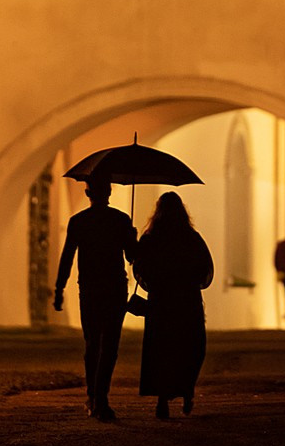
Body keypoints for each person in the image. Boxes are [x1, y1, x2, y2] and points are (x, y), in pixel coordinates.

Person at [53, 178, 137, 421]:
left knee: (92, 344)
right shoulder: (120, 220)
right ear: (109, 192)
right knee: (110, 345)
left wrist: (59, 289)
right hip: (115, 288)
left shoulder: (79, 221)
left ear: (88, 192)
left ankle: (92, 396)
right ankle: (102, 397)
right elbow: (132, 257)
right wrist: (132, 236)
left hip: (89, 289)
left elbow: (67, 257)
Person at [133, 191, 213, 420]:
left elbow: (140, 265)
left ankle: (162, 399)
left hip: (161, 301)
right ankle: (187, 390)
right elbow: (203, 269)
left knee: (162, 348)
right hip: (187, 301)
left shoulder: (151, 238)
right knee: (190, 347)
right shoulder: (190, 237)